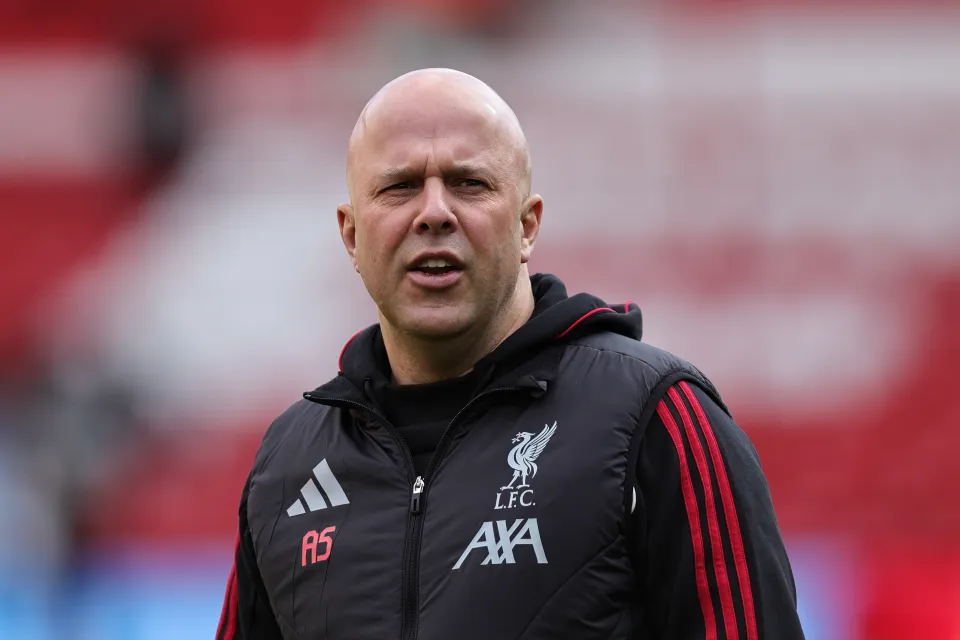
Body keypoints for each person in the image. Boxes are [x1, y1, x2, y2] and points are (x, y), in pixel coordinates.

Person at [215, 68, 806, 640]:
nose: (434, 213)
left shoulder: (657, 418)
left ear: (527, 227)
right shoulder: (287, 466)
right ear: (351, 236)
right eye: (399, 187)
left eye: (469, 183)